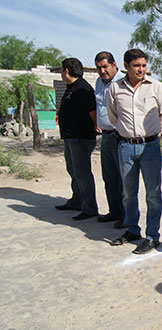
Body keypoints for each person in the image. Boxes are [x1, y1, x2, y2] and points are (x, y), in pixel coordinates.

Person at [107, 49, 162, 254]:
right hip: (125, 146)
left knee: (153, 194)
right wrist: (128, 134)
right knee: (128, 193)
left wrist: (149, 134)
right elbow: (113, 116)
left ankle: (152, 236)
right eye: (137, 66)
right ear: (126, 66)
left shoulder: (156, 87)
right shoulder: (115, 89)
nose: (141, 69)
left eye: (143, 65)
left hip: (150, 146)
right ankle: (132, 230)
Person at [55, 58, 99, 221]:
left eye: (61, 70)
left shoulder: (82, 88)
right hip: (70, 137)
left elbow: (92, 111)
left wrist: (95, 126)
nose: (61, 73)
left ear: (66, 70)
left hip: (81, 138)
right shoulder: (71, 88)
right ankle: (77, 200)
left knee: (82, 173)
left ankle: (90, 207)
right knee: (73, 170)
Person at [94, 51, 125, 229]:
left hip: (119, 135)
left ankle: (126, 215)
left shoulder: (123, 82)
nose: (102, 71)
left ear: (114, 65)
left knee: (123, 178)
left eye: (105, 66)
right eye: (99, 68)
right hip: (105, 135)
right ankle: (114, 210)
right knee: (109, 176)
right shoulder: (99, 82)